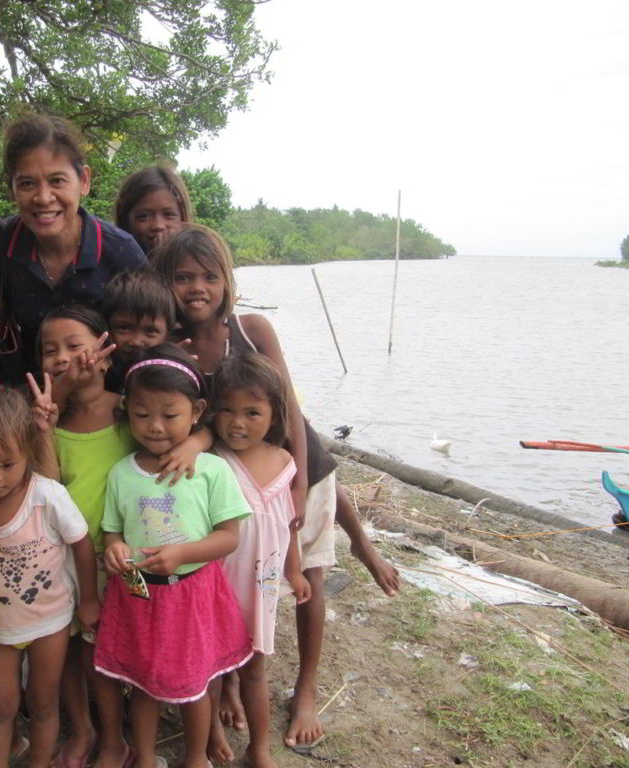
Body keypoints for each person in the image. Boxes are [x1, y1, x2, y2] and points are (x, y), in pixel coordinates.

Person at [151, 226, 400, 756]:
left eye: (209, 276)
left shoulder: (251, 329)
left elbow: (289, 410)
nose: (197, 287)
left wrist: (299, 490)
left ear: (228, 282)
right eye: (183, 277)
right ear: (167, 284)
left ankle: (306, 689)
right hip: (231, 483)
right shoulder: (174, 347)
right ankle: (232, 686)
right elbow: (193, 418)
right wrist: (197, 440)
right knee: (228, 586)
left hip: (292, 464)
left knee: (308, 573)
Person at [30, 306, 210, 768]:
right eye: (51, 351)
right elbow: (50, 487)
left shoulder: (129, 411)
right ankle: (96, 733)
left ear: (106, 353)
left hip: (124, 562)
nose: (65, 357)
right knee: (79, 647)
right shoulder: (51, 420)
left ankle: (122, 734)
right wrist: (46, 427)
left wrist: (194, 442)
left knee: (120, 646)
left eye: (76, 346)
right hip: (68, 559)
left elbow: (185, 425)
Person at [94, 345, 252, 768]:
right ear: (127, 410)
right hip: (139, 597)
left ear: (197, 410)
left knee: (195, 685)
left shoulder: (212, 470)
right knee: (143, 685)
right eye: (143, 415)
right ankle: (144, 756)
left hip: (193, 594)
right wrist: (115, 549)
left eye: (170, 414)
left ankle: (195, 756)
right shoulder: (122, 473)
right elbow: (112, 529)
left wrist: (183, 552)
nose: (156, 427)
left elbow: (228, 537)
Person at [0, 388, 99, 768]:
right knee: (0, 708)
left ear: (28, 452)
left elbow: (81, 545)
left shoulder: (46, 497)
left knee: (43, 704)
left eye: (7, 465)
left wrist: (90, 600)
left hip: (50, 622)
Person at [0, 114, 147, 383]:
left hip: (101, 403)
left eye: (57, 181)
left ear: (84, 181)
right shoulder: (0, 242)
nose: (43, 198)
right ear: (12, 189)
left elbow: (148, 335)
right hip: (18, 398)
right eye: (27, 184)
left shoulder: (121, 252)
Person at [212, 353, 311, 768]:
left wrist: (294, 569)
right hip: (217, 587)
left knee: (256, 670)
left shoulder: (284, 462)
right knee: (211, 669)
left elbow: (287, 523)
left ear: (273, 416)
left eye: (252, 412)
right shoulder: (211, 463)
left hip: (263, 588)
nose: (238, 422)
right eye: (228, 410)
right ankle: (210, 733)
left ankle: (260, 748)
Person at [101, 269, 174, 392]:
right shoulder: (99, 378)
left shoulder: (175, 380)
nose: (136, 341)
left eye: (150, 331)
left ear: (168, 334)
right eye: (124, 328)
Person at [114, 164, 192, 254]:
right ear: (125, 221)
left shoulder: (199, 262)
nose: (158, 225)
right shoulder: (108, 264)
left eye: (169, 214)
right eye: (144, 216)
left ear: (183, 218)